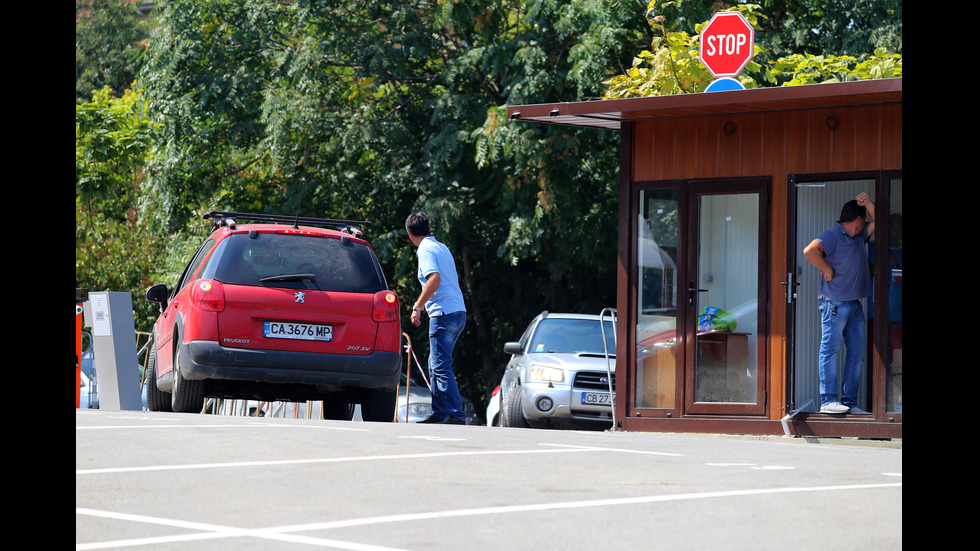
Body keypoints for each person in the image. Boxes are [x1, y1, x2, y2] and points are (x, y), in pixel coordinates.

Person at [802, 192, 875, 414]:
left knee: (857, 353)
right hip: (833, 304)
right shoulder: (833, 235)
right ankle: (828, 402)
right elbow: (809, 251)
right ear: (859, 220)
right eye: (865, 219)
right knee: (830, 351)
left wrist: (869, 204)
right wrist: (827, 268)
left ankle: (849, 403)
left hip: (854, 304)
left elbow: (880, 222)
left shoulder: (859, 237)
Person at [406, 212, 468, 424]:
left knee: (440, 365)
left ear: (409, 233)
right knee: (435, 363)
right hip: (458, 311)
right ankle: (440, 412)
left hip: (443, 313)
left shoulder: (424, 250)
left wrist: (418, 306)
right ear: (429, 229)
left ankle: (456, 414)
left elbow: (435, 278)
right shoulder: (442, 247)